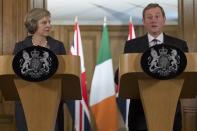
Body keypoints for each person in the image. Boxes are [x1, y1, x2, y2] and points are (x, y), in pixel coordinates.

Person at [115, 3, 188, 131]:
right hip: (140, 113)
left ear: (164, 20)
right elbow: (119, 78)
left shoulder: (179, 45)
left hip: (170, 111)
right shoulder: (132, 45)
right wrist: (121, 71)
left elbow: (188, 74)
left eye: (157, 16)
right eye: (149, 17)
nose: (153, 20)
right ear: (144, 21)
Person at [13, 8, 66, 131]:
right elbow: (14, 72)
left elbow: (65, 71)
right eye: (44, 22)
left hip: (51, 99)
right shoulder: (20, 46)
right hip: (26, 99)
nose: (49, 25)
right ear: (33, 24)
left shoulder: (58, 46)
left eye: (49, 22)